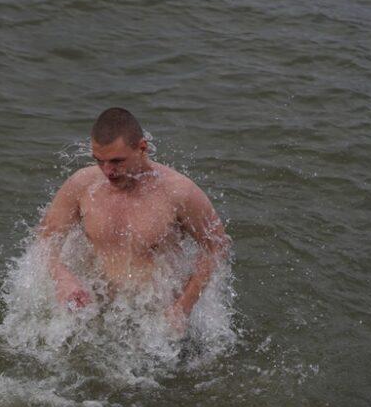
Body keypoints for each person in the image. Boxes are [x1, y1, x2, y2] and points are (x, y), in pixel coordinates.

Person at [38, 107, 230, 335]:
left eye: (117, 161)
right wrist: (62, 276)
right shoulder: (82, 185)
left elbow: (217, 246)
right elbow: (45, 239)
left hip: (158, 318)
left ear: (142, 148)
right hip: (97, 310)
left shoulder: (180, 192)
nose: (108, 171)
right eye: (99, 161)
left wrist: (183, 307)